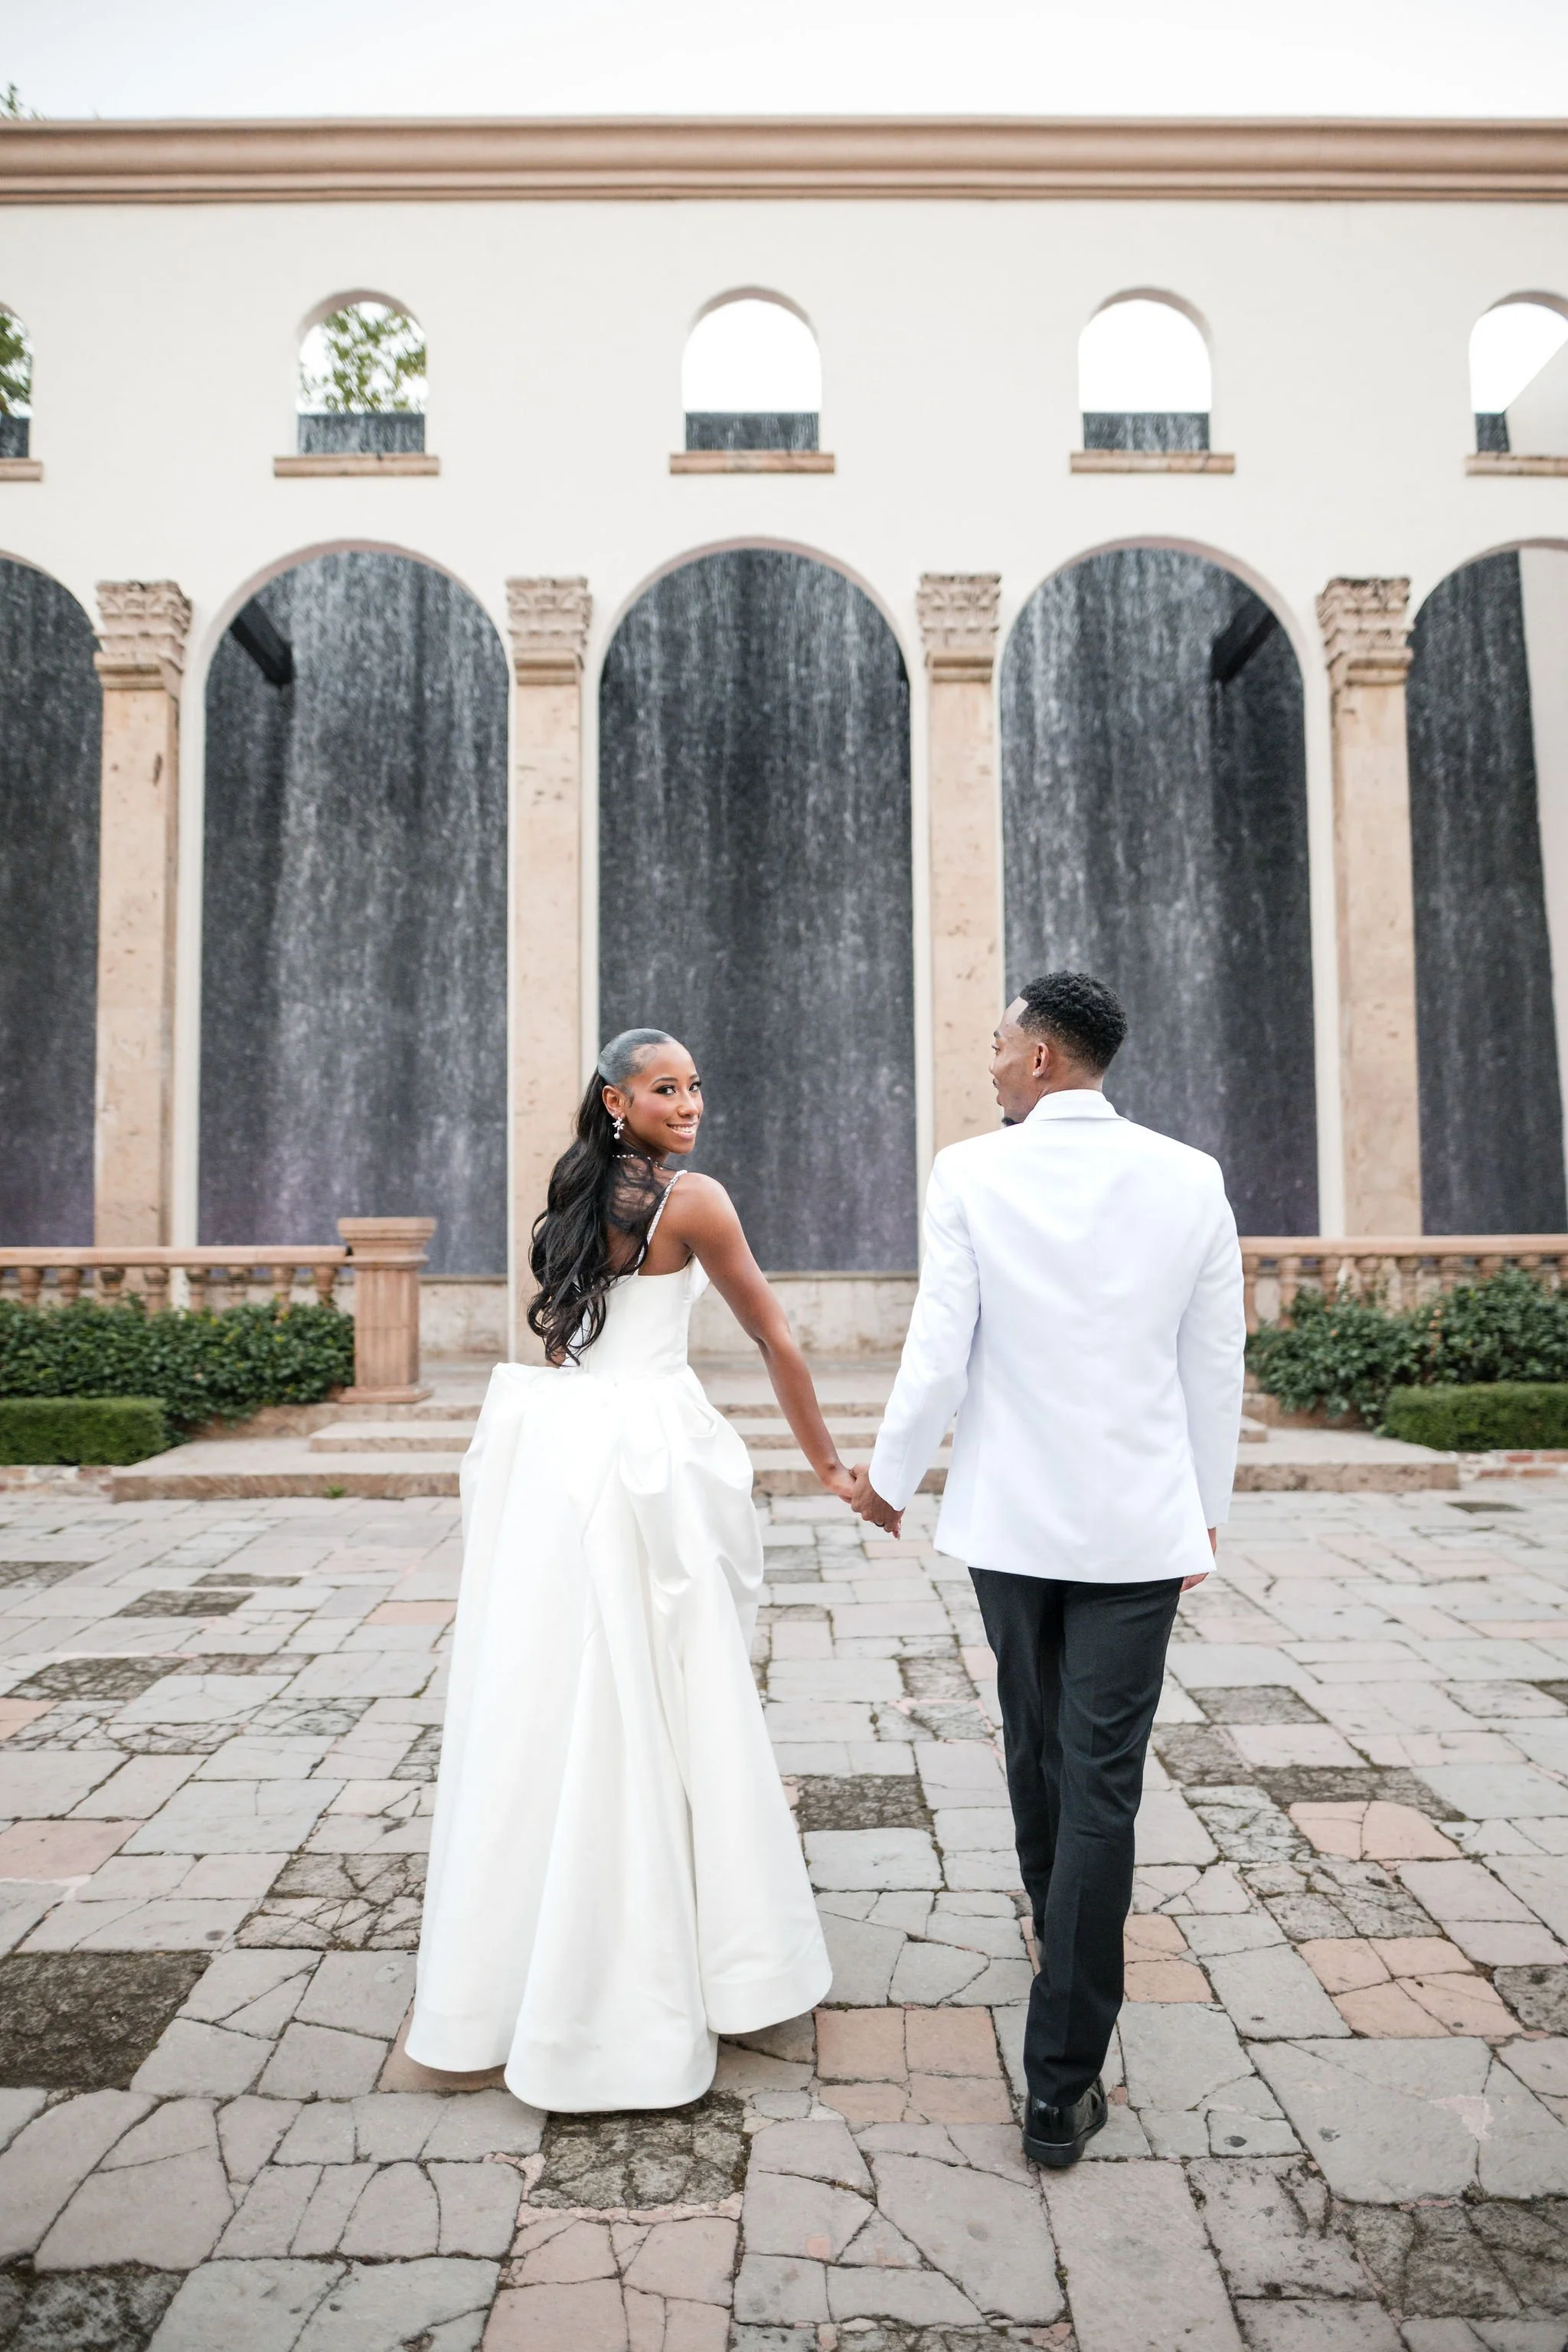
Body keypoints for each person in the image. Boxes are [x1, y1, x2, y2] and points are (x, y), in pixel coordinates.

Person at [848, 973, 1244, 2168]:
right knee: (1101, 1780)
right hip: (1137, 1527)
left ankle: (1058, 1949)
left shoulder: (973, 1171)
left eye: (998, 1041)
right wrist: (1205, 1513)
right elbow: (1212, 1360)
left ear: (1040, 1062)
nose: (986, 1058)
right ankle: (1060, 2080)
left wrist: (890, 1478)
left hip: (1013, 1528)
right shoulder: (1191, 1178)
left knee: (1035, 1747)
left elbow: (940, 1345)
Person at [407, 1028, 837, 2112]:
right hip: (649, 1454)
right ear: (616, 1099)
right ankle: (679, 1953)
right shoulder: (694, 1203)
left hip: (566, 1452)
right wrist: (828, 1460)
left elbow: (564, 1347)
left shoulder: (565, 1202)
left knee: (567, 1691)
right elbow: (777, 1336)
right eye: (664, 1088)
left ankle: (530, 1951)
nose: (689, 1102)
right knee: (670, 1687)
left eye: (695, 1084)